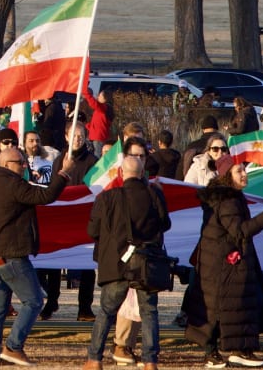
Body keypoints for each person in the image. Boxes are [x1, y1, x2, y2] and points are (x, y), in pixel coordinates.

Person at [0, 138, 71, 368]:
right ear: (8, 165)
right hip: (12, 255)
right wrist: (64, 174)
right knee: (34, 301)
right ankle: (13, 347)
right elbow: (45, 197)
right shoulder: (13, 184)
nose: (25, 167)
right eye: (21, 163)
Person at [82, 137, 172, 370]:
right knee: (149, 312)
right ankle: (150, 361)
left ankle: (94, 359)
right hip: (145, 263)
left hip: (116, 264)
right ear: (142, 172)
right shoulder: (154, 194)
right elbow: (165, 224)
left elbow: (92, 230)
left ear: (121, 172)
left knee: (105, 312)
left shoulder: (107, 197)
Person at [188, 154, 263, 368]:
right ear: (227, 175)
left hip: (224, 263)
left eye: (244, 169)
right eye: (239, 171)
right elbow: (240, 230)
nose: (244, 174)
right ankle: (213, 352)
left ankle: (239, 349)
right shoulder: (227, 200)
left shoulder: (230, 197)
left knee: (235, 307)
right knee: (217, 311)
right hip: (221, 265)